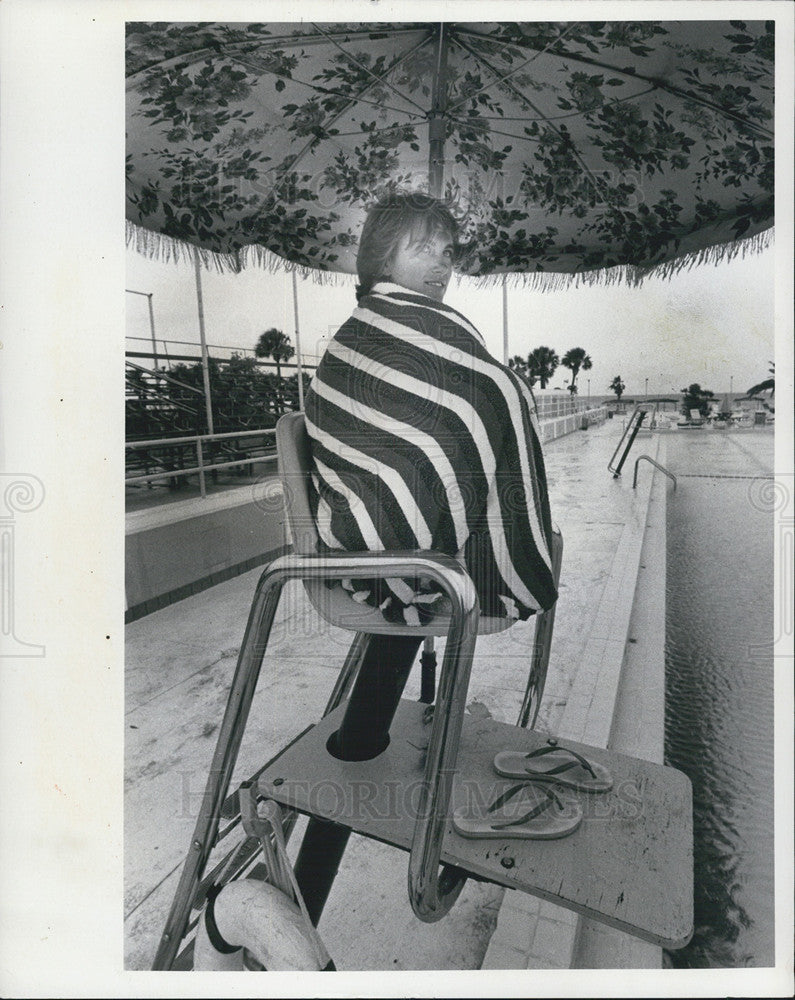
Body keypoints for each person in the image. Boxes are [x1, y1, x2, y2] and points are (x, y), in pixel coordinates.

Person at [292, 190, 558, 922]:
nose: (442, 259)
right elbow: (449, 409)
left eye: (447, 248)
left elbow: (458, 406)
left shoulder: (416, 327)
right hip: (377, 545)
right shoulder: (369, 331)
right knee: (491, 395)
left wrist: (485, 401)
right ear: (382, 256)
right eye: (423, 245)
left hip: (399, 547)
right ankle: (447, 565)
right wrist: (488, 402)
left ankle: (371, 734)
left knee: (490, 396)